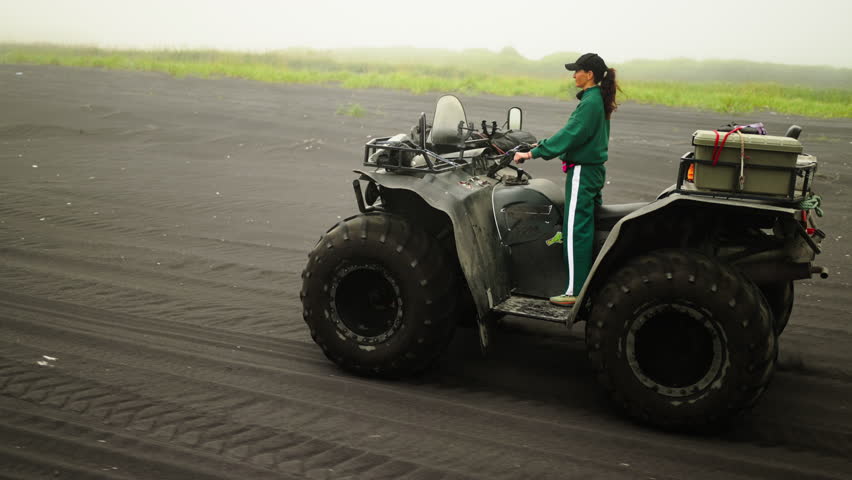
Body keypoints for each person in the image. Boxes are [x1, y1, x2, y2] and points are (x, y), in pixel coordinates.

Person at [513, 53, 620, 306]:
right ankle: (586, 285)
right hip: (593, 171)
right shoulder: (597, 100)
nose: (573, 75)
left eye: (577, 71)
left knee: (575, 231)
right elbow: (577, 135)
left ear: (589, 74)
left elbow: (571, 135)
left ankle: (574, 292)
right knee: (588, 227)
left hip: (582, 172)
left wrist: (532, 153)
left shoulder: (591, 102)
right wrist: (542, 144)